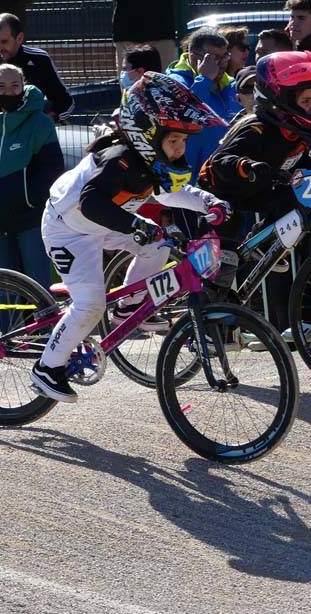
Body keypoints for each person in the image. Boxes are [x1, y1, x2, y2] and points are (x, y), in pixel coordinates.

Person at [31, 73, 231, 403]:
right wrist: (137, 223)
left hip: (105, 224)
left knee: (159, 243)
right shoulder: (119, 160)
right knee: (90, 304)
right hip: (69, 230)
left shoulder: (150, 161)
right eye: (174, 142)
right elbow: (92, 202)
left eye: (183, 142)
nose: (180, 150)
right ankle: (46, 368)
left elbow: (171, 194)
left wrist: (210, 202)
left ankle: (127, 310)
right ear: (148, 135)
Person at [198, 51, 311, 331]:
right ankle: (205, 329)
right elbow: (221, 161)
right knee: (225, 265)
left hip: (258, 189)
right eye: (305, 101)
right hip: (222, 194)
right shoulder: (255, 128)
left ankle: (261, 247)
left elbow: (296, 162)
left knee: (291, 200)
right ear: (281, 101)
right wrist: (250, 165)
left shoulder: (295, 133)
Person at [0, 66, 64, 290]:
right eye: (1, 86)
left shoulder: (40, 123)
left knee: (37, 284)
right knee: (3, 288)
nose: (8, 92)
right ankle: (10, 328)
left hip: (29, 221)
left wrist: (28, 197)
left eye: (14, 86)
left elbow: (52, 169)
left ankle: (44, 327)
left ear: (23, 86)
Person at [166, 27, 238, 185]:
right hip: (191, 187)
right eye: (214, 58)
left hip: (227, 180)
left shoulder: (230, 85)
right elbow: (186, 116)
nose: (222, 64)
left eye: (225, 56)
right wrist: (204, 79)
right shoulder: (174, 83)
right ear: (194, 57)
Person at [0, 13, 73, 120]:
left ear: (19, 38)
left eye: (4, 41)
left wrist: (46, 120)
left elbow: (65, 102)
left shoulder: (39, 60)